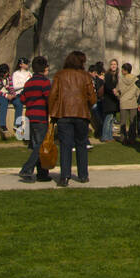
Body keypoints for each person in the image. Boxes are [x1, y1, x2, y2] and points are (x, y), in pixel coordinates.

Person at [48, 50, 95, 186]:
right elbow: (92, 97)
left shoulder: (60, 75)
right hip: (81, 114)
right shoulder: (85, 76)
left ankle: (65, 176)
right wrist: (87, 106)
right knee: (81, 144)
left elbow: (53, 95)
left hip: (64, 114)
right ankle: (83, 175)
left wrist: (51, 112)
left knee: (65, 145)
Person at [18, 57, 53, 182]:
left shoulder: (28, 83)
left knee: (38, 145)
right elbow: (49, 98)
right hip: (40, 117)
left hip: (30, 117)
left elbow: (22, 99)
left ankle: (42, 174)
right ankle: (26, 169)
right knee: (40, 147)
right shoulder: (45, 82)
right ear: (44, 68)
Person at [0, 63, 23, 141]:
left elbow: (11, 88)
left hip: (6, 95)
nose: (7, 74)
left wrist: (13, 94)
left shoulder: (8, 78)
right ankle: (2, 125)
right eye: (6, 73)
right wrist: (6, 95)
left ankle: (18, 124)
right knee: (4, 101)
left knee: (19, 102)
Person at [118, 62, 139, 146]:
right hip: (133, 101)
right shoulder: (136, 79)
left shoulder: (121, 80)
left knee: (123, 121)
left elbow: (119, 91)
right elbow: (138, 91)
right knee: (132, 121)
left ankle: (123, 138)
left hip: (123, 101)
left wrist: (118, 95)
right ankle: (132, 138)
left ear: (124, 70)